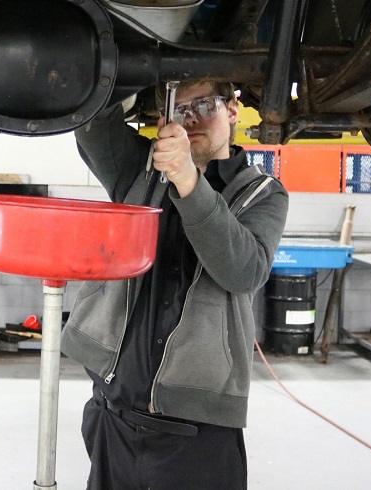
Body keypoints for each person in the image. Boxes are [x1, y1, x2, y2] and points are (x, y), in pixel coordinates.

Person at [61, 79, 289, 489]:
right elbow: (92, 121)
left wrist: (187, 178)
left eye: (205, 105)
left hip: (198, 434)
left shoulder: (262, 193)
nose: (192, 119)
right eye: (179, 110)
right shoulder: (140, 168)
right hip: (113, 415)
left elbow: (243, 271)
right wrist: (136, 66)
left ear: (233, 110)